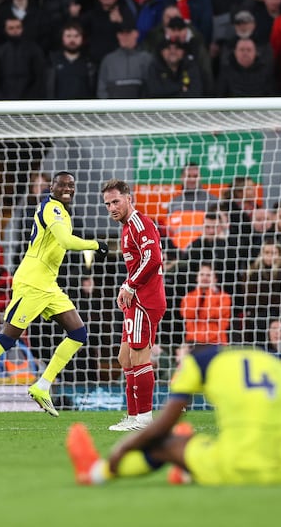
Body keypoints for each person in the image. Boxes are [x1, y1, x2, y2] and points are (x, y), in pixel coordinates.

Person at [0, 172, 108, 419]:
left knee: (78, 333)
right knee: (8, 338)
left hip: (48, 285)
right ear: (51, 187)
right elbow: (65, 240)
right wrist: (96, 245)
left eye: (71, 185)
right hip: (32, 283)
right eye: (62, 184)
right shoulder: (51, 208)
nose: (67, 188)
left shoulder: (62, 210)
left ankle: (42, 386)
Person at [66, 344, 281, 486]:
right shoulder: (273, 362)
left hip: (238, 468)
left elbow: (162, 426)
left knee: (163, 445)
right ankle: (186, 471)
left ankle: (96, 472)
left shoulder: (200, 362)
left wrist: (121, 450)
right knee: (199, 443)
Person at [101, 179, 166, 431]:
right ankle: (132, 417)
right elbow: (140, 263)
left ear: (129, 198)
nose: (111, 208)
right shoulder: (126, 227)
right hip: (135, 299)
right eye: (107, 204)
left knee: (139, 355)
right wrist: (125, 286)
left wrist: (130, 286)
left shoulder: (140, 223)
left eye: (115, 201)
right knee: (124, 357)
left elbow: (153, 259)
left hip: (146, 300)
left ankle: (144, 419)